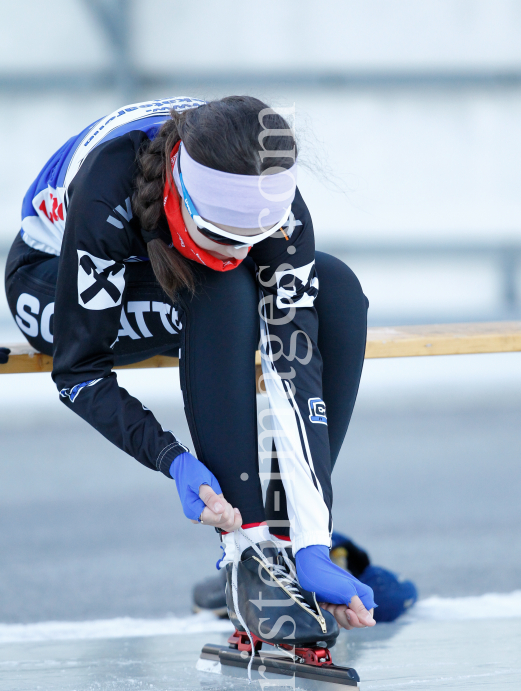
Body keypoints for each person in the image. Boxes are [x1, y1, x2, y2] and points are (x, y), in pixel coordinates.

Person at [4, 95, 416, 644]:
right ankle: (245, 550)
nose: (237, 252)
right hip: (53, 280)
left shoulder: (278, 204)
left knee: (335, 291)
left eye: (253, 241)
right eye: (221, 236)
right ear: (179, 193)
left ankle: (284, 544)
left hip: (174, 272)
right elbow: (79, 373)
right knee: (222, 287)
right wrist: (172, 459)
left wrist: (311, 535)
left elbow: (296, 369)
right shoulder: (109, 191)